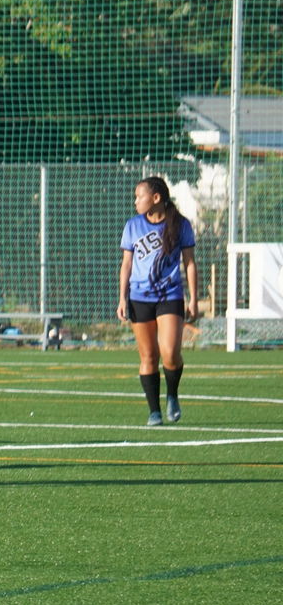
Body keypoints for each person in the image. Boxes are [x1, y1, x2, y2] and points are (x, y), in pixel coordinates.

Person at [117, 176, 198, 427]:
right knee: (149, 356)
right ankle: (154, 412)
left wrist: (194, 298)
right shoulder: (133, 225)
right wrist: (122, 298)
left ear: (156, 198)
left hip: (170, 295)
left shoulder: (180, 224)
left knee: (170, 353)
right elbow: (127, 264)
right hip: (139, 297)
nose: (135, 201)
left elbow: (190, 262)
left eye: (139, 196)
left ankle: (172, 394)